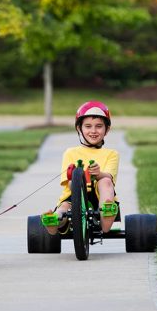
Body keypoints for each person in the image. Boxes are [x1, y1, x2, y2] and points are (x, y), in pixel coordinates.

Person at [43, 100, 119, 235]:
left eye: (99, 126)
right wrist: (81, 178)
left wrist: (98, 173)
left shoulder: (111, 154)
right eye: (88, 126)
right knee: (65, 207)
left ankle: (106, 216)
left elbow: (109, 177)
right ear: (79, 128)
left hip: (100, 198)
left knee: (105, 181)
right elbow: (70, 183)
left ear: (107, 129)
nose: (93, 131)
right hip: (74, 196)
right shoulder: (70, 153)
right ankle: (54, 219)